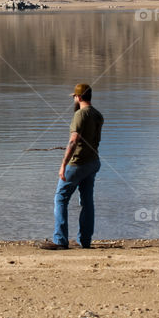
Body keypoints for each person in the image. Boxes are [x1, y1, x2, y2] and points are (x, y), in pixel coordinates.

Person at [40, 83, 103, 250]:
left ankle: (60, 240)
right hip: (93, 162)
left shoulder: (80, 115)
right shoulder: (98, 115)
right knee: (87, 201)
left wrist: (63, 165)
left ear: (79, 97)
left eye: (74, 97)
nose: (74, 99)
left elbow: (74, 141)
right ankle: (85, 241)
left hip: (78, 164)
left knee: (60, 198)